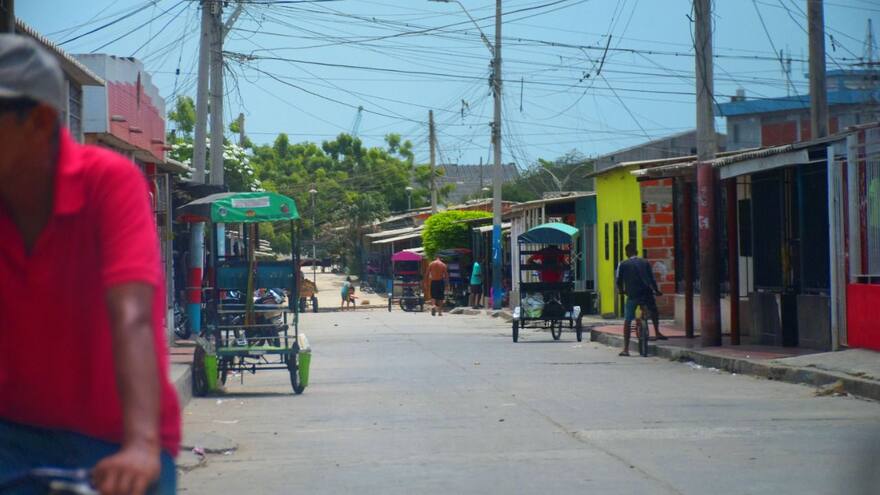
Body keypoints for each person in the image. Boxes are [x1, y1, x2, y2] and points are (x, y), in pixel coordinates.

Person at [0, 36, 179, 493]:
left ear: (39, 120)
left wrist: (140, 443)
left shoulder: (107, 182)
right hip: (13, 432)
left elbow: (133, 315)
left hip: (116, 434)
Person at [616, 242, 667, 357]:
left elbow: (619, 281)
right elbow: (652, 279)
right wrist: (656, 290)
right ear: (637, 252)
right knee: (653, 310)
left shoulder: (623, 264)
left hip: (632, 294)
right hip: (646, 293)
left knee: (628, 320)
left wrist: (621, 291)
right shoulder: (645, 262)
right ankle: (657, 332)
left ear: (627, 253)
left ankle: (626, 349)